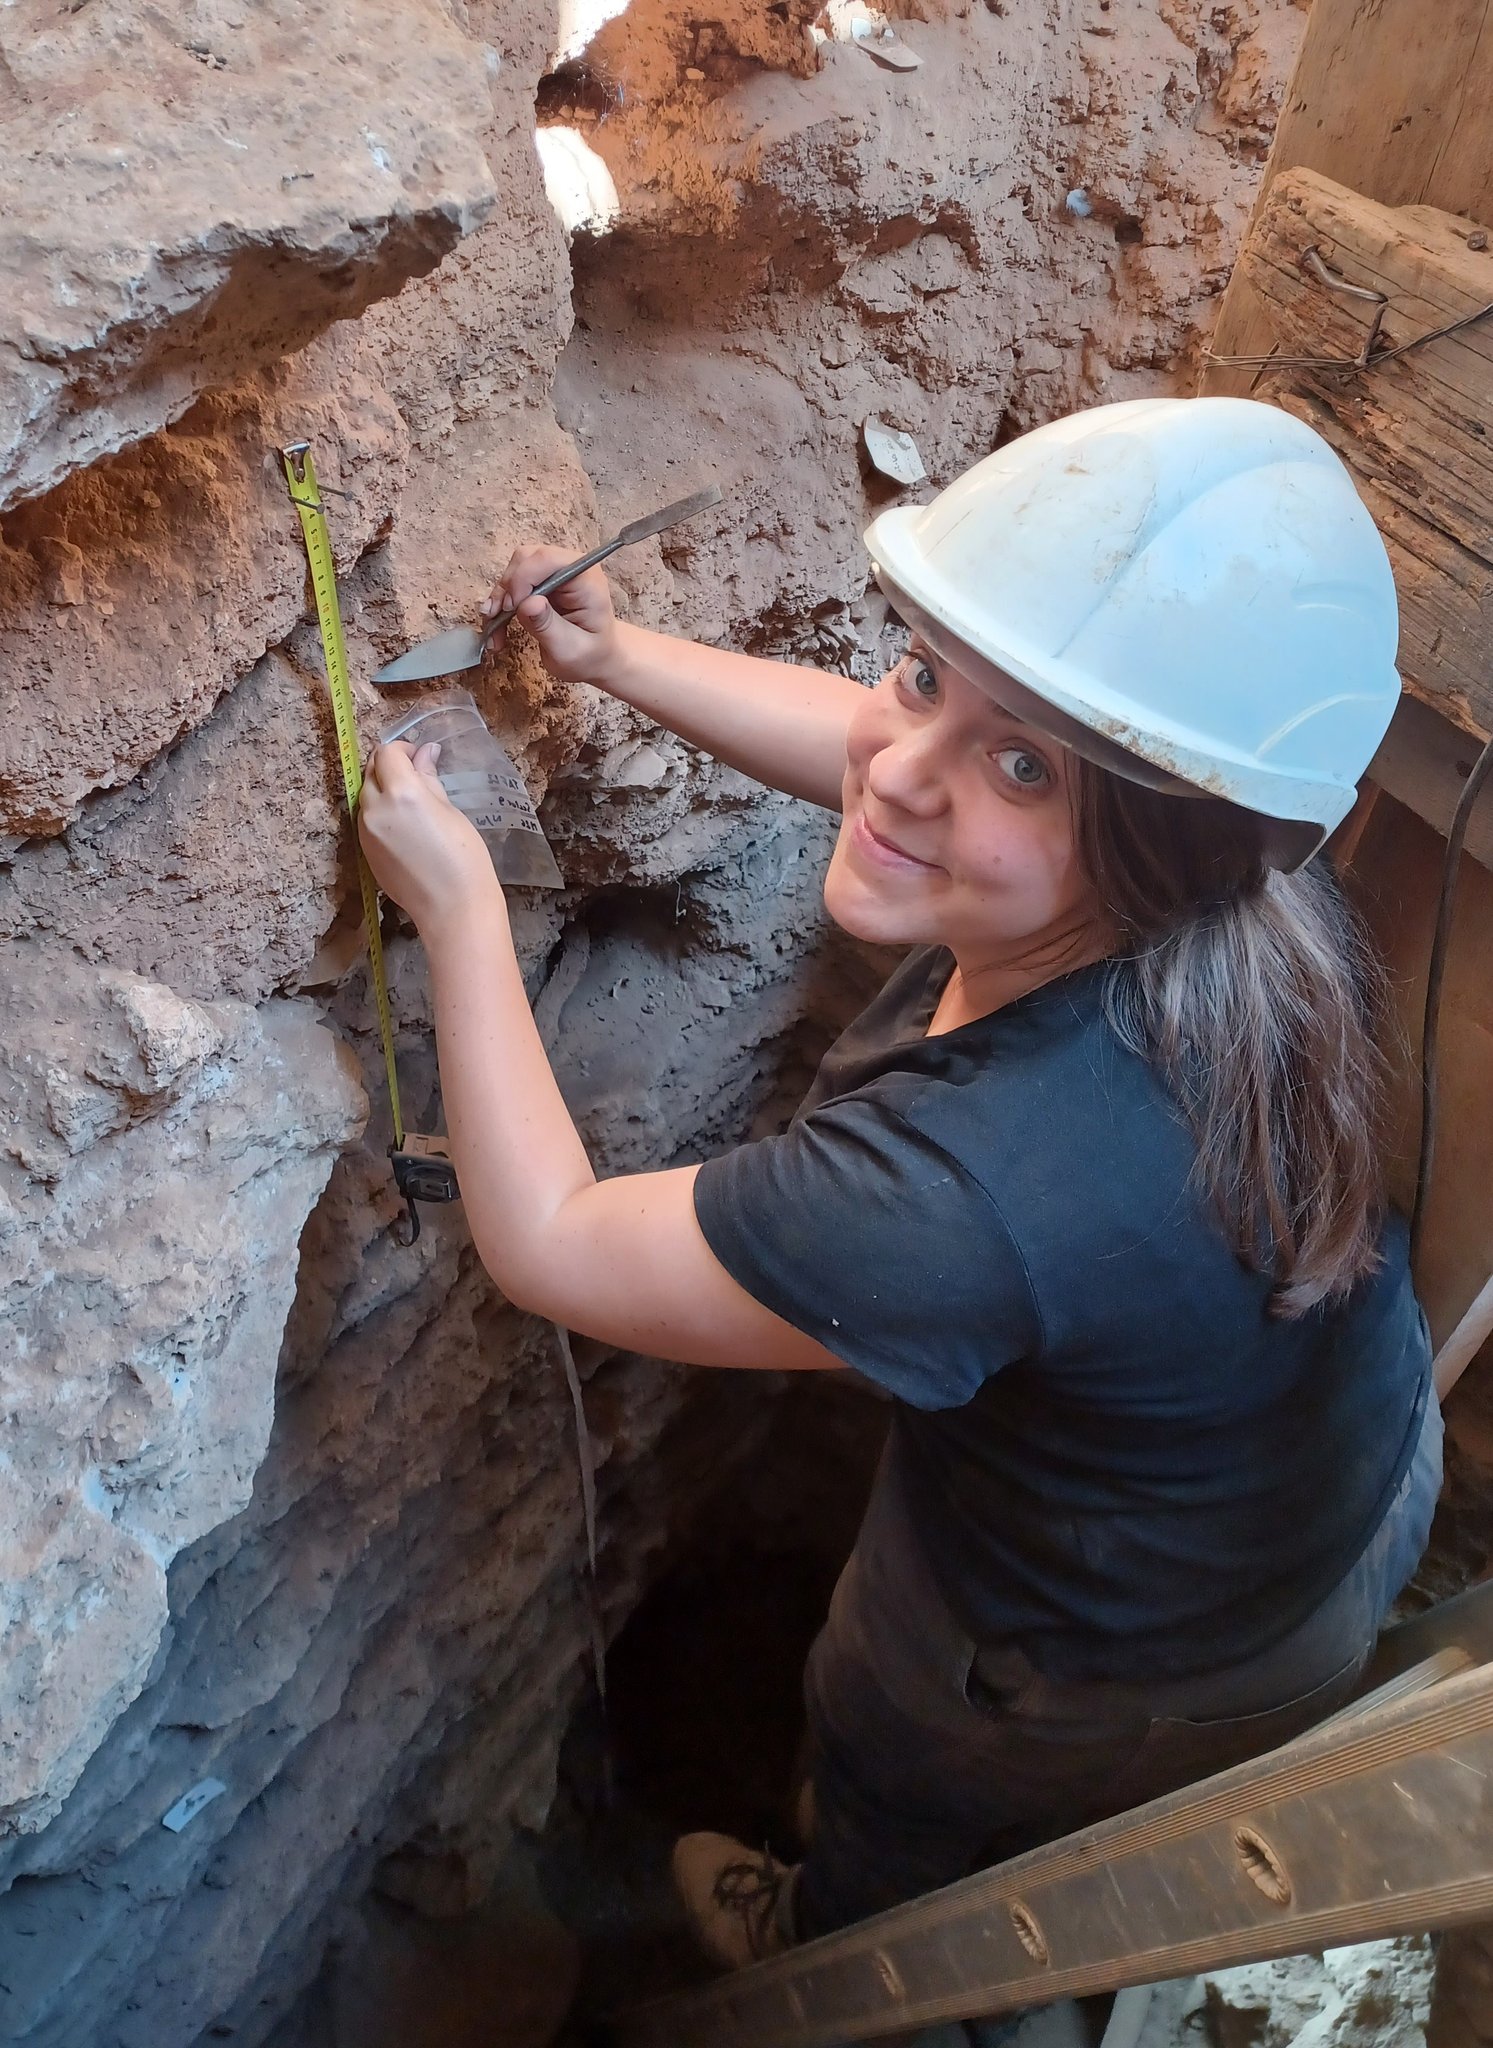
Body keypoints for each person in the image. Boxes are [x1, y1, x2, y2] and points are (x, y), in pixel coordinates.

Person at [358, 396, 1440, 1971]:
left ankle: (814, 1931)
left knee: (907, 1808)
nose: (907, 767)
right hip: (1344, 1484)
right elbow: (902, 773)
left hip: (1096, 1669)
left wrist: (459, 908)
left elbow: (553, 1241)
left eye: (1021, 765)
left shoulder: (957, 1191)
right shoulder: (1247, 906)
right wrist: (618, 658)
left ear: (1161, 834)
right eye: (919, 672)